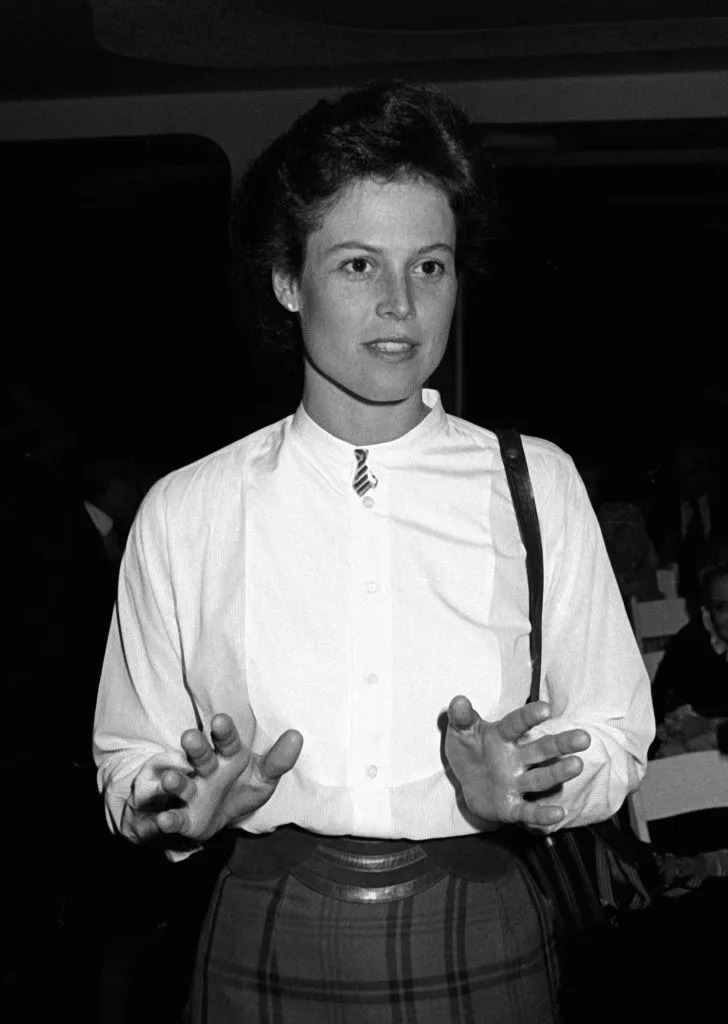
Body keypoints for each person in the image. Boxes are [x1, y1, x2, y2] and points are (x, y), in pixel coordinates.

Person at [93, 80, 654, 1023]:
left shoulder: (536, 483)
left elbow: (617, 731)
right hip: (263, 926)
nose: (401, 304)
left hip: (483, 923)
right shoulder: (187, 509)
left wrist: (535, 787)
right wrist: (172, 803)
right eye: (358, 264)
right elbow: (128, 756)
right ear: (288, 280)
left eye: (430, 266)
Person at [652, 555, 728, 759]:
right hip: (696, 753)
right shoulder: (689, 645)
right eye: (721, 607)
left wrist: (712, 724)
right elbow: (663, 707)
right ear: (707, 607)